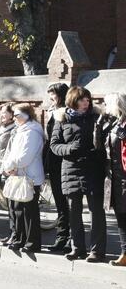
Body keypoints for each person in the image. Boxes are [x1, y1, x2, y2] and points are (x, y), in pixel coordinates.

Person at [50, 86, 107, 262]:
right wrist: (69, 148)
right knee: (74, 212)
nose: (86, 103)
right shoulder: (62, 119)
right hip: (71, 169)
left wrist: (97, 151)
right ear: (73, 101)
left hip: (93, 168)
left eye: (88, 100)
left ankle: (97, 251)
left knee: (96, 211)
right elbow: (54, 145)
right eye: (82, 100)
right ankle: (78, 248)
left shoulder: (97, 117)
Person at [1, 103, 45, 253]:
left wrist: (11, 165)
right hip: (19, 175)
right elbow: (13, 153)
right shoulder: (21, 130)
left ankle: (32, 243)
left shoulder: (32, 132)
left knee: (29, 211)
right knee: (18, 209)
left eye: (17, 115)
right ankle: (20, 239)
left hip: (30, 177)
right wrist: (9, 166)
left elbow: (26, 157)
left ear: (26, 115)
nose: (14, 118)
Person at [44, 82, 71, 253]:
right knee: (60, 203)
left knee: (66, 203)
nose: (50, 98)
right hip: (53, 161)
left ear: (60, 95)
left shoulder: (66, 113)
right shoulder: (52, 112)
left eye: (52, 95)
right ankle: (62, 237)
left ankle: (67, 238)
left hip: (63, 161)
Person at [104, 93, 126, 266]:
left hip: (123, 177)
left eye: (107, 104)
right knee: (121, 216)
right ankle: (125, 253)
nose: (105, 107)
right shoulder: (115, 124)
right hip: (116, 178)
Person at [0, 104, 17, 245]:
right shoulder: (3, 128)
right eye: (1, 113)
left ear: (12, 115)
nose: (2, 116)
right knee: (9, 204)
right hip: (0, 167)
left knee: (11, 203)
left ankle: (14, 234)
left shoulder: (13, 129)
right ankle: (12, 233)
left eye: (4, 113)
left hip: (8, 169)